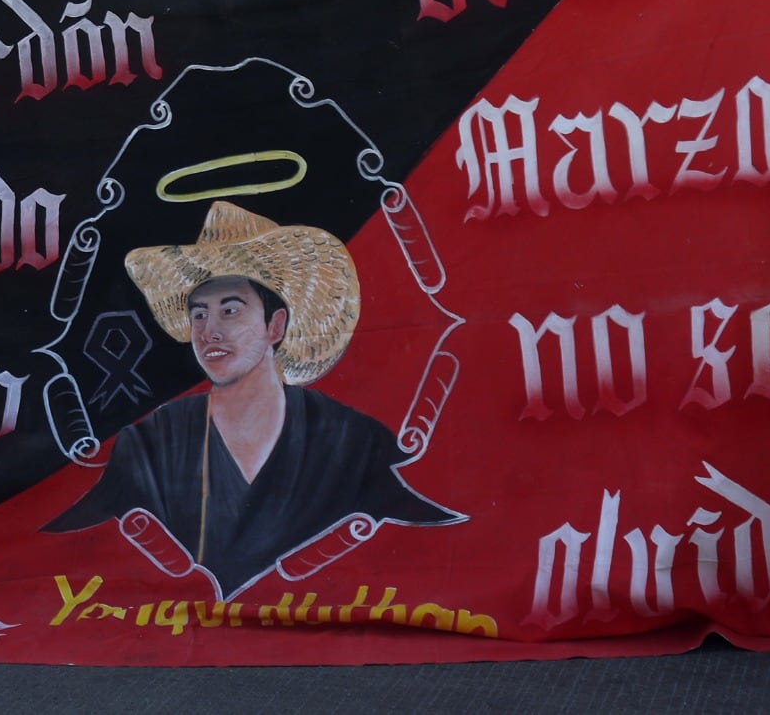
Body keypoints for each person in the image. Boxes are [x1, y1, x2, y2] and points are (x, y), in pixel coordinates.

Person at [47, 201, 462, 597]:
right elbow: (73, 539)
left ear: (275, 325)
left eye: (230, 310)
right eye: (199, 314)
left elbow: (421, 533)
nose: (209, 331)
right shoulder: (153, 443)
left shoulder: (350, 441)